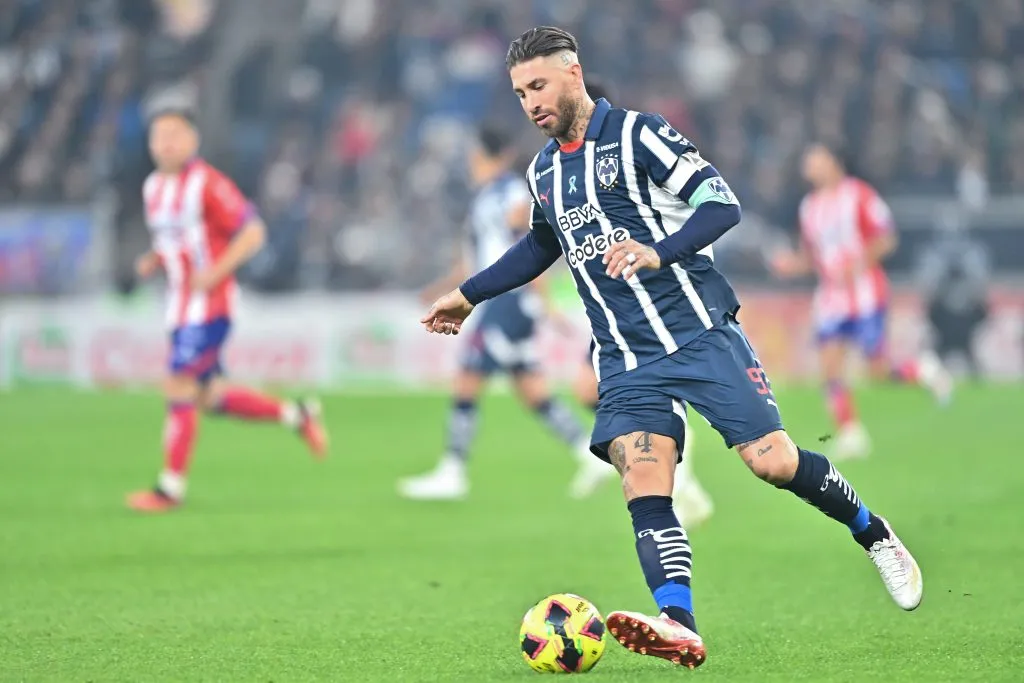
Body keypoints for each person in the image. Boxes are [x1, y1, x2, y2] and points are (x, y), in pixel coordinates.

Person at [420, 27, 922, 669]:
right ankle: (679, 623)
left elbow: (721, 205)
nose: (531, 103)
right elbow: (540, 246)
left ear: (573, 72)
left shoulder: (640, 135)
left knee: (772, 463)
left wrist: (658, 252)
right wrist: (468, 294)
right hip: (625, 358)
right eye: (520, 93)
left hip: (698, 333)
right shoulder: (543, 171)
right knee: (644, 479)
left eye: (539, 85)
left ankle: (873, 533)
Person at [127, 110, 328, 513]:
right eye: (159, 135)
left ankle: (169, 489)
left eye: (175, 134)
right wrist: (155, 259)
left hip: (210, 308)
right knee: (208, 398)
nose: (166, 143)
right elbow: (177, 241)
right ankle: (297, 415)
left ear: (193, 140)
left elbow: (253, 233)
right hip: (178, 309)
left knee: (177, 384)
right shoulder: (153, 188)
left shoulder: (208, 183)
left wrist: (215, 273)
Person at [398, 123, 612, 501]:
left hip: (510, 300)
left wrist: (545, 303)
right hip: (502, 300)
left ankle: (453, 470)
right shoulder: (484, 197)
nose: (470, 161)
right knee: (531, 389)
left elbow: (531, 250)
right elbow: (473, 263)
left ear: (484, 155)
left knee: (467, 376)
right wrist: (437, 291)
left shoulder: (512, 193)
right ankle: (589, 453)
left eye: (473, 154)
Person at [571, 78, 713, 526]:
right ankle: (680, 484)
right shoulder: (567, 167)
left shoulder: (633, 147)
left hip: (652, 301)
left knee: (636, 399)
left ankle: (677, 482)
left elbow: (710, 205)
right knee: (590, 390)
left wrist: (658, 253)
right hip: (614, 303)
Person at [770, 143, 953, 459]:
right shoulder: (809, 207)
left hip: (866, 294)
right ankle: (850, 433)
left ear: (834, 162)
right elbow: (813, 257)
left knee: (876, 371)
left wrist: (857, 264)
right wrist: (792, 265)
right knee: (829, 367)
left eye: (815, 159)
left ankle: (924, 370)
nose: (808, 166)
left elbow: (886, 238)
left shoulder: (860, 195)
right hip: (831, 298)